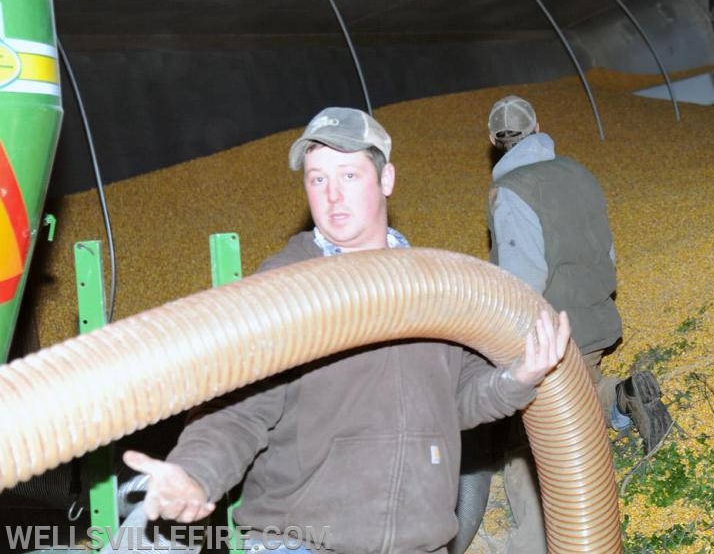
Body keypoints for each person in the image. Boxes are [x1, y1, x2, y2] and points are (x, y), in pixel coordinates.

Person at [119, 107, 572, 554]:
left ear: (386, 179)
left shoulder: (437, 286)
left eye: (349, 176)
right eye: (318, 179)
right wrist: (194, 473)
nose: (332, 196)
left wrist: (518, 378)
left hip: (419, 543)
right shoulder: (285, 286)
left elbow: (454, 401)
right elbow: (236, 410)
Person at [481, 95, 673, 551]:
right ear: (538, 127)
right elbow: (607, 252)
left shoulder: (511, 191)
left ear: (493, 141)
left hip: (547, 334)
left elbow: (523, 278)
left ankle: (527, 544)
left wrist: (507, 342)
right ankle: (623, 397)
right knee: (582, 390)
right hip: (591, 319)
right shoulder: (580, 174)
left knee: (527, 444)